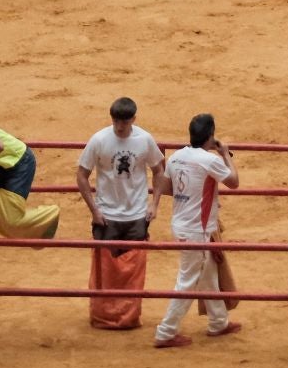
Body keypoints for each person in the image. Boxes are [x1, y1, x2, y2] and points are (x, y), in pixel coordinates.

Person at [153, 112, 243, 348]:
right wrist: (225, 154)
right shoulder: (209, 160)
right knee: (188, 280)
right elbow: (234, 182)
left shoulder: (176, 157)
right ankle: (166, 331)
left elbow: (169, 187)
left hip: (181, 224)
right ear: (210, 136)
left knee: (207, 272)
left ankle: (218, 322)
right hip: (197, 230)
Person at [77, 97, 164, 246]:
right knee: (105, 266)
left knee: (134, 265)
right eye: (116, 121)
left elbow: (158, 170)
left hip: (137, 215)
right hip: (106, 215)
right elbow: (81, 175)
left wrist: (154, 204)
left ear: (133, 119)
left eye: (124, 122)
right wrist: (95, 211)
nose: (119, 126)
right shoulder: (99, 140)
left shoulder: (144, 139)